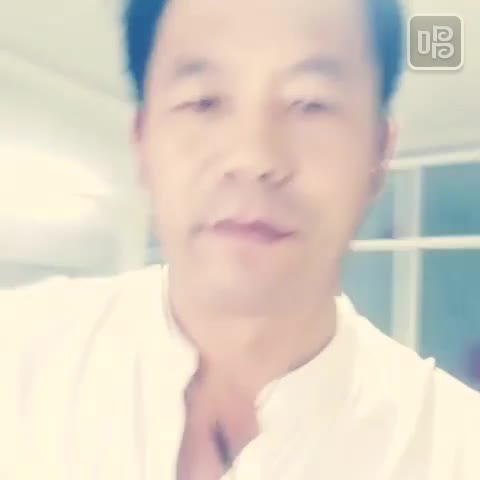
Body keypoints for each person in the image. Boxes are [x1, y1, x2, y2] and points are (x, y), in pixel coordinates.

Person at [1, 0, 479, 478]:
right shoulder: (18, 356)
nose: (253, 157)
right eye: (203, 102)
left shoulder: (455, 451)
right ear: (142, 143)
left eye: (310, 104)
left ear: (378, 153)